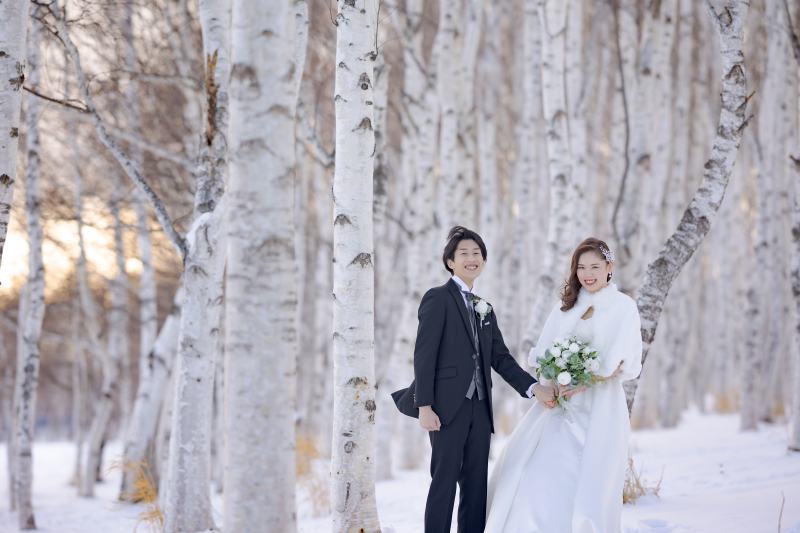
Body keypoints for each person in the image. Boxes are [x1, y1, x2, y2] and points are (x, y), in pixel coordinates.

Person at [392, 226, 556, 533]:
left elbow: (500, 358)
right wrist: (424, 405)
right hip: (445, 408)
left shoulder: (485, 308)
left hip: (480, 409)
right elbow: (424, 355)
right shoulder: (437, 298)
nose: (471, 258)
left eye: (477, 253)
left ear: (483, 261)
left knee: (476, 484)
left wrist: (534, 388)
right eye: (463, 253)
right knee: (444, 483)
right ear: (450, 262)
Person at [484, 237, 643, 533]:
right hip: (559, 404)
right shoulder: (565, 306)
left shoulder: (623, 306)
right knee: (536, 472)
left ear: (610, 267)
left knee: (588, 481)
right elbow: (545, 352)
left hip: (600, 408)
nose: (588, 273)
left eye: (595, 266)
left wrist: (587, 379)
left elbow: (624, 360)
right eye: (581, 267)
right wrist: (554, 379)